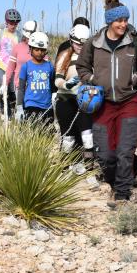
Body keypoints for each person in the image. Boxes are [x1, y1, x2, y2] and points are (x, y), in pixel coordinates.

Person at [76, 0, 137, 205]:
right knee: (105, 154)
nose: (123, 24)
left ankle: (122, 194)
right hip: (102, 104)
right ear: (109, 21)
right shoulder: (94, 43)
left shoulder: (135, 42)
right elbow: (82, 67)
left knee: (124, 151)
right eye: (119, 20)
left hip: (129, 102)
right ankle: (117, 181)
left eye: (125, 20)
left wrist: (136, 79)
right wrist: (92, 79)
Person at [55, 24, 94, 171]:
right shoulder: (65, 55)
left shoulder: (92, 57)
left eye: (84, 44)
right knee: (68, 137)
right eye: (78, 43)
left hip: (85, 99)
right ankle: (64, 167)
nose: (80, 46)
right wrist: (66, 85)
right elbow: (57, 79)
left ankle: (89, 169)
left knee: (87, 135)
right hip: (66, 99)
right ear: (71, 41)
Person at [0, 9, 21, 118]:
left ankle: (13, 111)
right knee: (3, 87)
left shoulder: (20, 35)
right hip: (0, 65)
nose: (13, 25)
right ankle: (4, 111)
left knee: (12, 91)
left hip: (14, 68)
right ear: (6, 22)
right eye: (11, 22)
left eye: (16, 23)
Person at [16, 31, 54, 127]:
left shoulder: (50, 66)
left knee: (48, 134)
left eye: (42, 50)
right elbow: (21, 88)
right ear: (31, 49)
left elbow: (53, 85)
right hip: (31, 105)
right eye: (37, 50)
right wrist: (19, 106)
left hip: (47, 106)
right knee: (32, 131)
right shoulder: (25, 66)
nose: (40, 53)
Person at [4, 20, 37, 100]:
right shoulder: (17, 48)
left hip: (36, 86)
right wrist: (5, 84)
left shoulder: (40, 49)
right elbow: (10, 68)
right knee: (20, 109)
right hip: (19, 85)